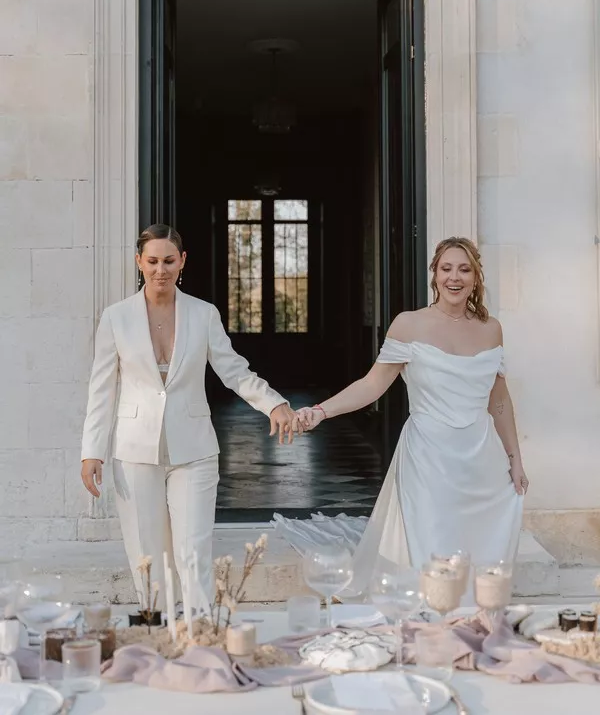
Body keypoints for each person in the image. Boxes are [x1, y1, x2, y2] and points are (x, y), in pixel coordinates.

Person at [80, 223, 298, 606]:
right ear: (139, 262)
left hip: (195, 449)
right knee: (146, 556)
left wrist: (273, 403)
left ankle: (201, 630)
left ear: (182, 261)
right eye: (152, 261)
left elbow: (233, 370)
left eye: (168, 261)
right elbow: (101, 389)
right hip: (134, 451)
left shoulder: (203, 313)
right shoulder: (115, 317)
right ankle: (157, 627)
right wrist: (91, 451)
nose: (160, 270)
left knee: (193, 553)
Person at [295, 237, 527, 595]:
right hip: (428, 457)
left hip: (482, 460)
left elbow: (499, 402)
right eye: (446, 268)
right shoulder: (408, 324)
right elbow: (372, 385)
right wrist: (321, 411)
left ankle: (472, 613)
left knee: (481, 546)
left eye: (464, 269)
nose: (454, 277)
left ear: (476, 277)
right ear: (434, 274)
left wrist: (515, 459)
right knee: (433, 546)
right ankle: (435, 614)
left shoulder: (491, 329)